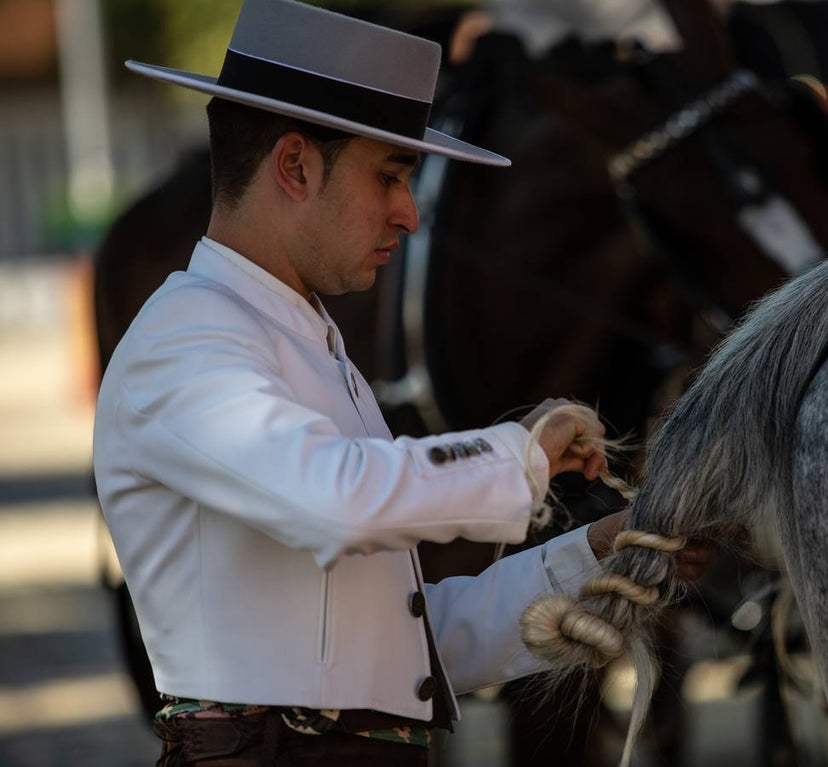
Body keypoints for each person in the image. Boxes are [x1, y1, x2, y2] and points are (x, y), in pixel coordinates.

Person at [92, 1, 711, 764]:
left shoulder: (308, 345)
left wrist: (595, 554)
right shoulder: (184, 339)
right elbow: (338, 498)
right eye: (389, 175)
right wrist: (518, 455)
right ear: (294, 166)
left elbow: (400, 653)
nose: (409, 213)